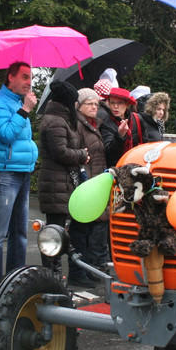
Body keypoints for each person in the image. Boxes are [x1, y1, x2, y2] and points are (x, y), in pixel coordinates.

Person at [0, 61, 38, 296]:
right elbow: (6, 135)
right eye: (24, 77)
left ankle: (15, 283)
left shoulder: (17, 102)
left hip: (23, 172)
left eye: (30, 77)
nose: (29, 82)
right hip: (6, 173)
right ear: (10, 77)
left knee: (20, 234)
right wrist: (25, 110)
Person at [37, 80, 86, 275]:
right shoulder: (56, 121)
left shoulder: (59, 119)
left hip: (60, 182)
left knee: (57, 230)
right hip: (55, 183)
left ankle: (54, 275)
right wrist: (82, 155)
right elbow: (61, 152)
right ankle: (51, 275)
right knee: (54, 233)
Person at [69, 88, 108, 288]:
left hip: (95, 182)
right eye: (90, 103)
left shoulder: (93, 125)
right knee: (80, 230)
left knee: (89, 229)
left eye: (96, 104)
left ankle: (86, 269)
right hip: (85, 183)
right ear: (79, 106)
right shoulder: (78, 125)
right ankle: (77, 272)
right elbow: (81, 154)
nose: (94, 107)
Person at [98, 86, 145, 167]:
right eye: (112, 103)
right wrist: (120, 135)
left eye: (120, 103)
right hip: (117, 168)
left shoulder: (137, 118)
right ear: (108, 103)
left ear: (127, 104)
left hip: (136, 165)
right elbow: (109, 153)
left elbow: (145, 144)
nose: (115, 107)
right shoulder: (105, 123)